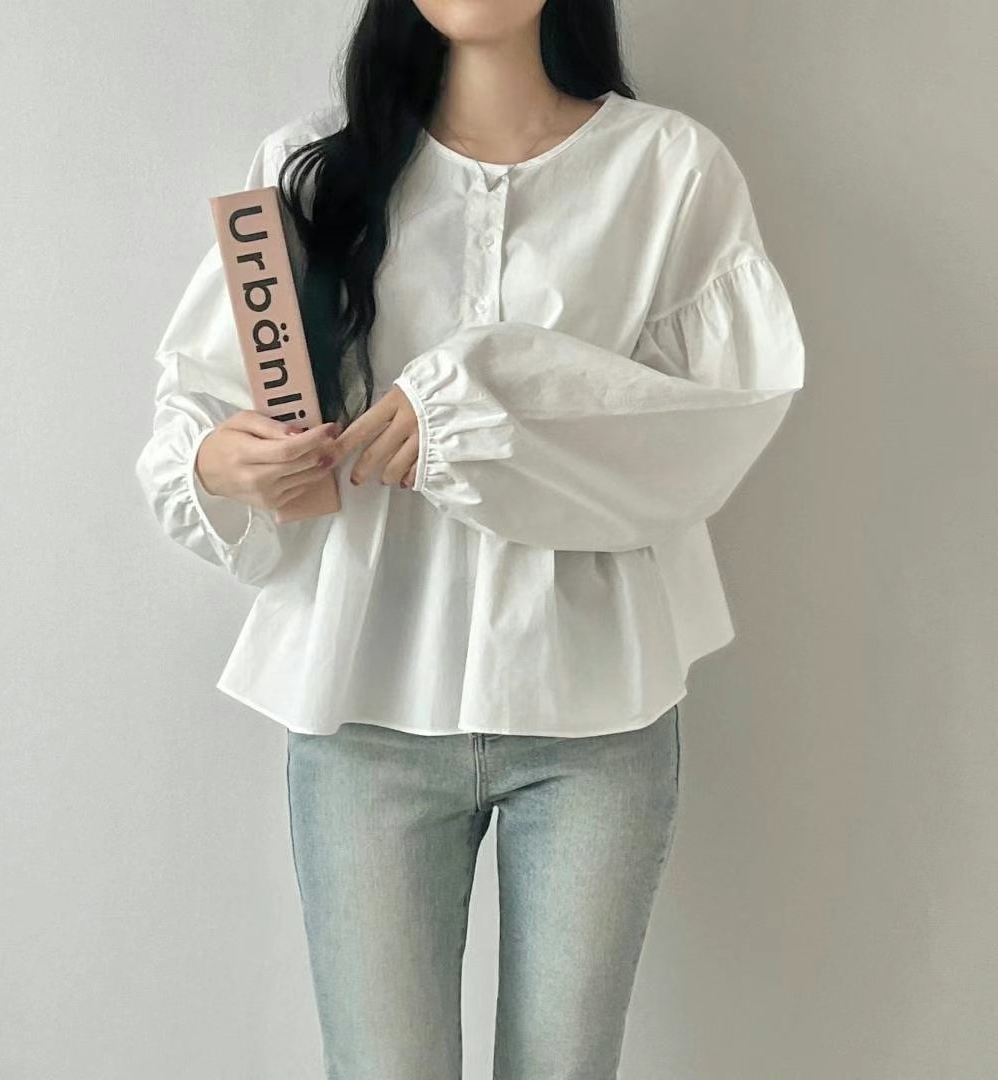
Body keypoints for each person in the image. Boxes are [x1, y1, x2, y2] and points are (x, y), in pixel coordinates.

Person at [134, 1, 805, 1076]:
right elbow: (203, 403)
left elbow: (712, 428)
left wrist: (476, 402)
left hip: (596, 714)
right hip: (365, 710)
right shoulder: (309, 171)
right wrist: (220, 460)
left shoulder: (668, 169)